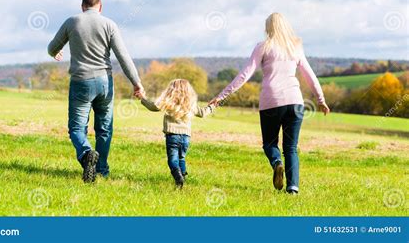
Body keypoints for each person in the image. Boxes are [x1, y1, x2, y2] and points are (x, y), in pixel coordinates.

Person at [209, 12, 330, 194]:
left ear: (268, 28)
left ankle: (276, 163)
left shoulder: (263, 47)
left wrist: (222, 96)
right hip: (295, 102)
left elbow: (245, 74)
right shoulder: (295, 48)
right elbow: (310, 76)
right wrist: (321, 99)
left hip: (271, 101)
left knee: (270, 144)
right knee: (290, 147)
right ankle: (293, 188)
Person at [48, 0, 144, 183]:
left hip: (80, 81)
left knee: (76, 127)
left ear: (82, 7)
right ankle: (102, 170)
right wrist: (136, 82)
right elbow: (123, 56)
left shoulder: (71, 22)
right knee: (105, 128)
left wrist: (55, 53)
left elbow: (52, 47)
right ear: (100, 7)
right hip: (104, 83)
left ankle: (86, 154)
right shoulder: (109, 24)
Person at [136, 79, 214, 188]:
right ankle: (182, 177)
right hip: (186, 137)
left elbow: (152, 106)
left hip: (172, 135)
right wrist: (212, 106)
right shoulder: (191, 104)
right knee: (181, 158)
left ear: (171, 90)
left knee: (172, 160)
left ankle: (178, 178)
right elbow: (203, 113)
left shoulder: (168, 102)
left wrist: (142, 98)